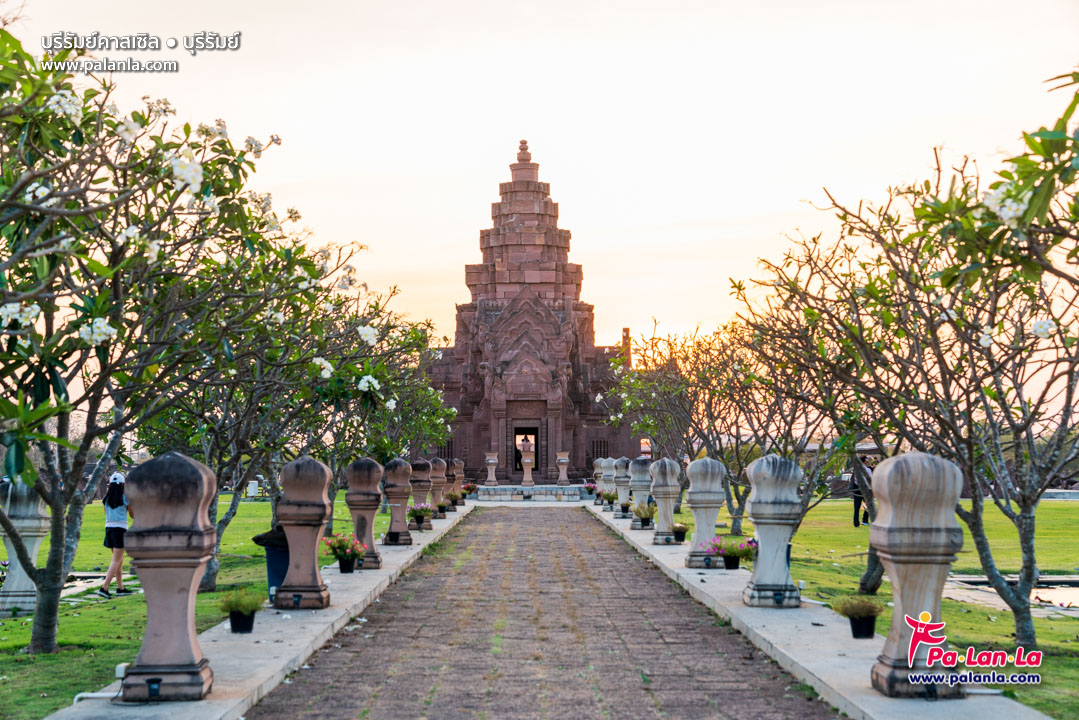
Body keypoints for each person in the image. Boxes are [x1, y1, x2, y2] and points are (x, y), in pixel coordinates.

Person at [97, 472, 133, 598]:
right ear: (123, 484)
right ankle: (104, 587)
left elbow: (106, 513)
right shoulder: (125, 497)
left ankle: (120, 588)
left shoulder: (106, 499)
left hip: (109, 529)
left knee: (119, 560)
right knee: (116, 561)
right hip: (120, 530)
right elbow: (132, 514)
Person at [850, 457, 871, 528]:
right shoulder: (867, 470)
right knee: (867, 505)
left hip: (857, 488)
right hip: (865, 489)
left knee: (856, 506)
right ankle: (865, 520)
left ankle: (856, 523)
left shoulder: (855, 470)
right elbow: (870, 479)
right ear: (864, 461)